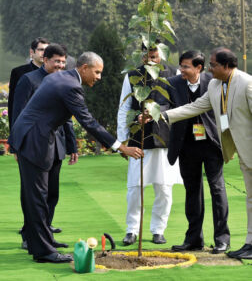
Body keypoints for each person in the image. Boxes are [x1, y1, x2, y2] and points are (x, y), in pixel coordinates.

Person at [8, 51, 143, 263]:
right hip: (35, 140)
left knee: (34, 196)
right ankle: (44, 252)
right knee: (37, 197)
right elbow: (88, 122)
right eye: (97, 72)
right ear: (84, 68)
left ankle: (39, 244)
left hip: (31, 137)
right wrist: (120, 147)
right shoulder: (71, 86)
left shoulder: (58, 77)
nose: (99, 77)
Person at [161, 47, 252, 259]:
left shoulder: (247, 83)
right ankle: (249, 243)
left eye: (213, 65)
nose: (209, 68)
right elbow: (195, 107)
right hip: (240, 152)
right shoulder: (215, 84)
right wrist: (163, 116)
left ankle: (240, 242)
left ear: (227, 66)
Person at [12, 44, 78, 250]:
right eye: (56, 61)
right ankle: (29, 236)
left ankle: (46, 235)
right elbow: (18, 114)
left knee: (52, 193)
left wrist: (72, 144)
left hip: (56, 146)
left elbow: (66, 117)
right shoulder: (28, 80)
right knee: (32, 194)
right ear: (45, 59)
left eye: (62, 61)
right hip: (32, 146)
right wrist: (16, 146)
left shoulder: (63, 81)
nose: (59, 65)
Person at [117, 43, 182, 246]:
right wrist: (123, 138)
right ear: (142, 55)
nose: (151, 59)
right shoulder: (132, 76)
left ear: (161, 54)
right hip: (139, 137)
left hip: (165, 137)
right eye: (147, 56)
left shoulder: (174, 73)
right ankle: (131, 229)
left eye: (155, 56)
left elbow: (180, 106)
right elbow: (124, 107)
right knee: (135, 188)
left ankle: (158, 229)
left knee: (164, 188)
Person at [166, 51, 229, 254]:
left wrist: (227, 140)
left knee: (217, 189)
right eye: (180, 66)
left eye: (185, 66)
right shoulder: (172, 83)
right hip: (185, 145)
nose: (181, 70)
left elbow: (225, 110)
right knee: (192, 191)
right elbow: (164, 105)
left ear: (198, 68)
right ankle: (193, 239)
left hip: (212, 144)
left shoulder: (214, 81)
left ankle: (222, 239)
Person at [8, 37, 50, 129]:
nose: (44, 53)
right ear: (32, 52)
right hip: (26, 126)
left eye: (47, 50)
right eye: (41, 50)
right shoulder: (18, 72)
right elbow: (12, 103)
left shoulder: (53, 73)